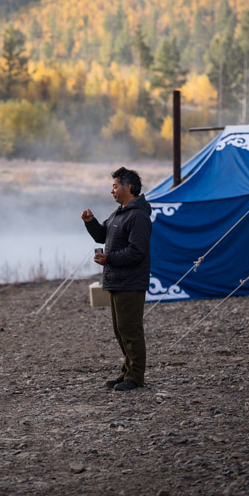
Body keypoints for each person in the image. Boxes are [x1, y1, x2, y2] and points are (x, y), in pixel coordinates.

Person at [81, 167, 152, 392]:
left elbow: (137, 251)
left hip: (131, 282)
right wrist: (90, 222)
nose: (112, 190)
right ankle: (127, 373)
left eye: (115, 186)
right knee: (121, 330)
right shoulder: (119, 213)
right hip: (117, 281)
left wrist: (109, 258)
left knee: (131, 331)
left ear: (127, 187)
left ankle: (135, 377)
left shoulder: (138, 215)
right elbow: (103, 235)